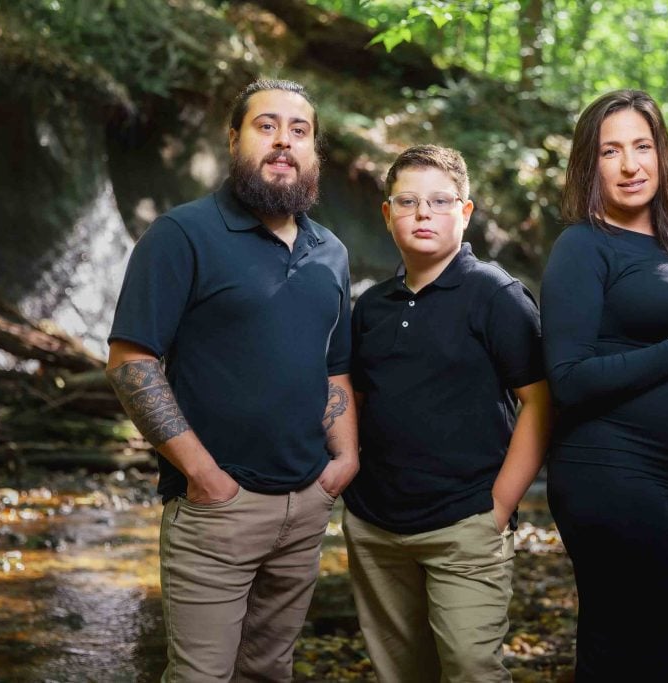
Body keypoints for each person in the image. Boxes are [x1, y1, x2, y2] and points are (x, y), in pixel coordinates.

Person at [105, 79, 358, 682]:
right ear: (234, 139)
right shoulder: (182, 235)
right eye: (266, 126)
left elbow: (335, 365)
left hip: (305, 507)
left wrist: (344, 459)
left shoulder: (332, 253)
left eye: (299, 131)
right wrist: (204, 475)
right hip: (216, 507)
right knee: (200, 676)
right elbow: (130, 360)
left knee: (270, 671)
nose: (283, 142)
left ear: (314, 151)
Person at [540, 89, 668, 682]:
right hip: (615, 476)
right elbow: (569, 379)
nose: (631, 165)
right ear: (591, 163)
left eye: (642, 146)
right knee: (633, 658)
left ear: (663, 154)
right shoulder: (582, 246)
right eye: (611, 151)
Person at [341, 145, 553, 682]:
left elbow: (541, 403)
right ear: (387, 214)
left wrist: (499, 508)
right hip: (376, 528)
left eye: (439, 202)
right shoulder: (371, 306)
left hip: (465, 523)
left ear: (465, 212)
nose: (422, 213)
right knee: (401, 673)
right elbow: (356, 401)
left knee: (470, 666)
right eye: (408, 202)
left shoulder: (496, 296)